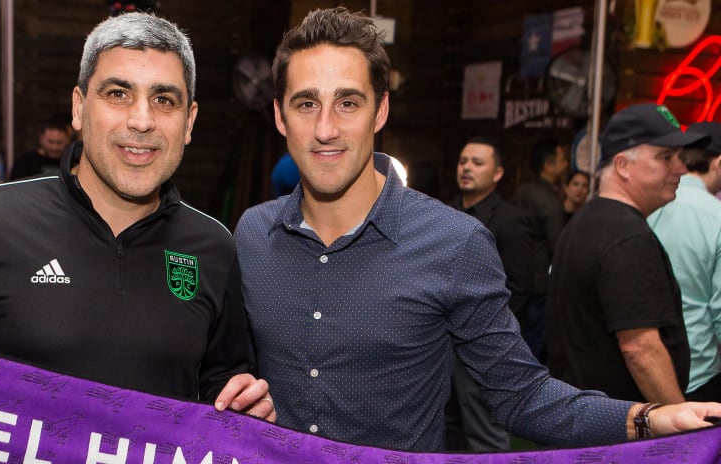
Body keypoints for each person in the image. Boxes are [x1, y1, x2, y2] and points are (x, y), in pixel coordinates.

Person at [233, 7, 721, 453]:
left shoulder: (452, 243)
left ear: (379, 111)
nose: (325, 129)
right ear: (279, 115)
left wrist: (648, 418)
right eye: (305, 104)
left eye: (347, 103)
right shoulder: (252, 236)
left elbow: (521, 394)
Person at [0, 12, 273, 420]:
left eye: (164, 100)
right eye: (118, 94)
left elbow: (223, 389)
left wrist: (244, 411)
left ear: (189, 122)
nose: (142, 120)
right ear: (78, 108)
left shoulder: (215, 247)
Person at [546, 103, 707, 405]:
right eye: (665, 157)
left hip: (584, 415)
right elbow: (640, 348)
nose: (682, 169)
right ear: (622, 165)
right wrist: (678, 422)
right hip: (620, 429)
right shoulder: (626, 236)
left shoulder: (586, 220)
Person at [446, 136, 533, 451]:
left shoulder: (512, 220)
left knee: (484, 435)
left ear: (497, 174)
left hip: (481, 345)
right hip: (440, 344)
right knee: (445, 430)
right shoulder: (441, 213)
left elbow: (520, 288)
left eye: (477, 163)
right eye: (463, 161)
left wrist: (485, 333)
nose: (467, 168)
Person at [647, 120, 721, 402]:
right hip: (699, 374)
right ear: (718, 163)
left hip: (639, 368)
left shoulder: (644, 203)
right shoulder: (716, 216)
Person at [514, 137, 568, 361]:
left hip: (516, 278)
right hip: (538, 285)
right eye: (562, 159)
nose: (565, 164)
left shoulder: (521, 191)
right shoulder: (550, 202)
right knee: (533, 347)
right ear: (548, 166)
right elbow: (559, 246)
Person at [8, 116, 72, 180]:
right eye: (50, 142)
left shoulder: (70, 163)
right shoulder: (25, 162)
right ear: (41, 139)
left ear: (67, 141)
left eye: (59, 143)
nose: (54, 147)